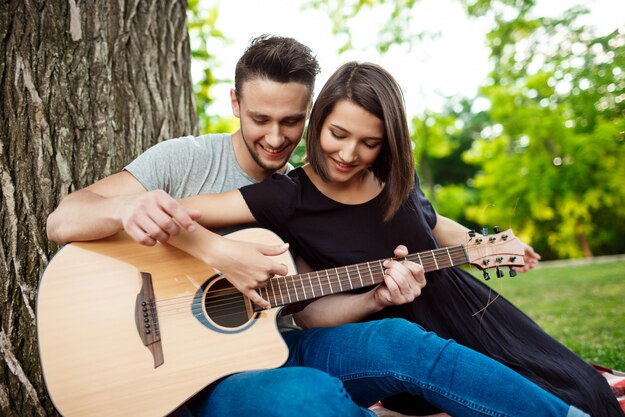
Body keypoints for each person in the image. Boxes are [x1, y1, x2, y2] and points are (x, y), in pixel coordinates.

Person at [164, 61, 596, 417]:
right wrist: (213, 248)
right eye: (338, 134)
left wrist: (485, 246)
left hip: (467, 311)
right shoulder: (286, 196)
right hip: (402, 336)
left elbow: (430, 222)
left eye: (369, 143)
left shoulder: (395, 177)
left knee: (583, 391)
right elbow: (177, 213)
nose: (349, 154)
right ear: (318, 122)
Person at [47, 35, 411, 417]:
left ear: (309, 114)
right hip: (149, 374)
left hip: (243, 377)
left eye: (290, 121)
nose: (275, 138)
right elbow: (62, 220)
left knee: (322, 386)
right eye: (260, 119)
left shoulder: (304, 198)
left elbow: (303, 312)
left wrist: (375, 298)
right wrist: (197, 242)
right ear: (235, 103)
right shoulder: (186, 159)